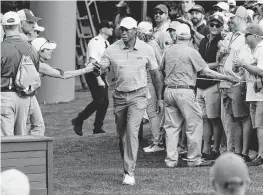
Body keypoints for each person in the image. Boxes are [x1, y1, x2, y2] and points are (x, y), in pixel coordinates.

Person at [89, 17, 163, 185]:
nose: (123, 32)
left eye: (127, 29)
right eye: (121, 29)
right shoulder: (112, 49)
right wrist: (93, 69)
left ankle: (130, 172)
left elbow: (155, 74)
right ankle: (127, 166)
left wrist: (160, 98)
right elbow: (100, 68)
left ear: (135, 31)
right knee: (122, 135)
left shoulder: (146, 49)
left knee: (131, 130)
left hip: (139, 96)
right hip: (120, 96)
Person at [1, 12, 95, 136]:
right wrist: (86, 70)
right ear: (19, 26)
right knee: (25, 132)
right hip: (24, 96)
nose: (52, 51)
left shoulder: (4, 48)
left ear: (3, 27)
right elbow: (59, 74)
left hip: (7, 95)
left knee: (7, 137)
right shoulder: (31, 51)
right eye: (48, 49)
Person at [162, 23, 238, 168]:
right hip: (185, 91)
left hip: (169, 90)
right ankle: (194, 159)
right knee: (194, 125)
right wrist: (227, 77)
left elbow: (160, 68)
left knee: (171, 128)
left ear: (176, 35)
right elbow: (206, 72)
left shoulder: (168, 50)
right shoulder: (191, 52)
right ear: (189, 36)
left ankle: (171, 160)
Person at [219, 6, 252, 161]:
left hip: (238, 82)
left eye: (233, 17)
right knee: (233, 118)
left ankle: (244, 152)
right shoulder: (231, 35)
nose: (231, 20)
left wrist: (241, 79)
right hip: (226, 81)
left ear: (240, 18)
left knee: (243, 117)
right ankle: (236, 151)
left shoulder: (246, 35)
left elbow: (248, 58)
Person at [72, 20, 113, 135]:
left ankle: (97, 128)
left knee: (105, 102)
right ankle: (79, 120)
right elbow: (93, 61)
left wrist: (104, 77)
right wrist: (99, 78)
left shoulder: (106, 43)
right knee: (99, 100)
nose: (112, 29)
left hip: (100, 73)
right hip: (93, 73)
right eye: (109, 27)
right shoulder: (95, 42)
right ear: (103, 29)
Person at [235, 24, 263, 166]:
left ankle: (261, 156)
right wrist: (238, 65)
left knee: (260, 126)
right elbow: (238, 65)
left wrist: (244, 65)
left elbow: (261, 71)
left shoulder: (262, 48)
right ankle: (259, 154)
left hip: (261, 95)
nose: (245, 36)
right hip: (251, 93)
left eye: (248, 34)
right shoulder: (245, 48)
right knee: (256, 125)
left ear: (257, 37)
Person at [197, 14, 224, 160]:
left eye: (217, 25)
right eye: (212, 24)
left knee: (214, 118)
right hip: (201, 82)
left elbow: (219, 63)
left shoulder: (222, 42)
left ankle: (215, 148)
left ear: (221, 27)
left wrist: (202, 66)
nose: (214, 27)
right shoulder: (203, 40)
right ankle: (205, 148)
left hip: (213, 83)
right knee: (204, 118)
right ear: (208, 24)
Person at [137, 21, 164, 153]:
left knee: (153, 113)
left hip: (151, 82)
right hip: (147, 82)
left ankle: (157, 142)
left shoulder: (151, 45)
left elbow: (159, 65)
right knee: (152, 113)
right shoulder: (146, 44)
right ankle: (157, 139)